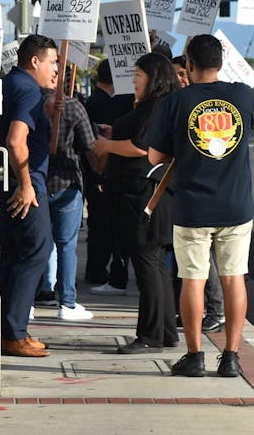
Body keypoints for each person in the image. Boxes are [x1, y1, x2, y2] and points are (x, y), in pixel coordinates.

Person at [146, 34, 254, 377]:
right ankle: (231, 357)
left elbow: (154, 156)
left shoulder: (175, 103)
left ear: (189, 64)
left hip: (192, 207)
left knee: (193, 280)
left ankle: (195, 356)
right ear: (222, 62)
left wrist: (183, 149)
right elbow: (251, 123)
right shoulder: (241, 96)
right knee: (234, 279)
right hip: (236, 206)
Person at [93, 53, 182, 353]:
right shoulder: (156, 106)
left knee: (147, 265)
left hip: (143, 196)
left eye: (138, 75)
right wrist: (114, 133)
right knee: (155, 265)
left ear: (153, 78)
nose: (133, 79)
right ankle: (166, 331)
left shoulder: (157, 107)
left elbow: (142, 148)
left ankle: (150, 336)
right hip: (144, 195)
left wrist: (107, 145)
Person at [0, 34, 59, 358]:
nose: (56, 70)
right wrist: (26, 184)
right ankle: (14, 333)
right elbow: (16, 140)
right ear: (34, 60)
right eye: (52, 62)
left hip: (9, 183)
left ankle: (11, 328)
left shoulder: (13, 83)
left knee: (14, 255)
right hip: (25, 187)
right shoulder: (27, 89)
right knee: (36, 251)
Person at [168, 54, 226, 335]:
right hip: (186, 196)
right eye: (175, 74)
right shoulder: (177, 104)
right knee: (193, 266)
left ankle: (214, 314)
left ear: (191, 70)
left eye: (183, 73)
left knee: (202, 267)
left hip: (203, 201)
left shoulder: (193, 104)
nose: (180, 78)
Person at [33, 86, 97, 321]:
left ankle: (33, 297)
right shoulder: (73, 106)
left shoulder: (29, 101)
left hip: (36, 182)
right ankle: (67, 301)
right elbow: (89, 144)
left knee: (36, 245)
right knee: (66, 246)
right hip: (66, 182)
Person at [83, 59, 134, 294]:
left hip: (100, 171)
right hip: (100, 171)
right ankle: (97, 269)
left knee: (100, 224)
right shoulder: (102, 104)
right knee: (102, 225)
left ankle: (97, 268)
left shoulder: (97, 100)